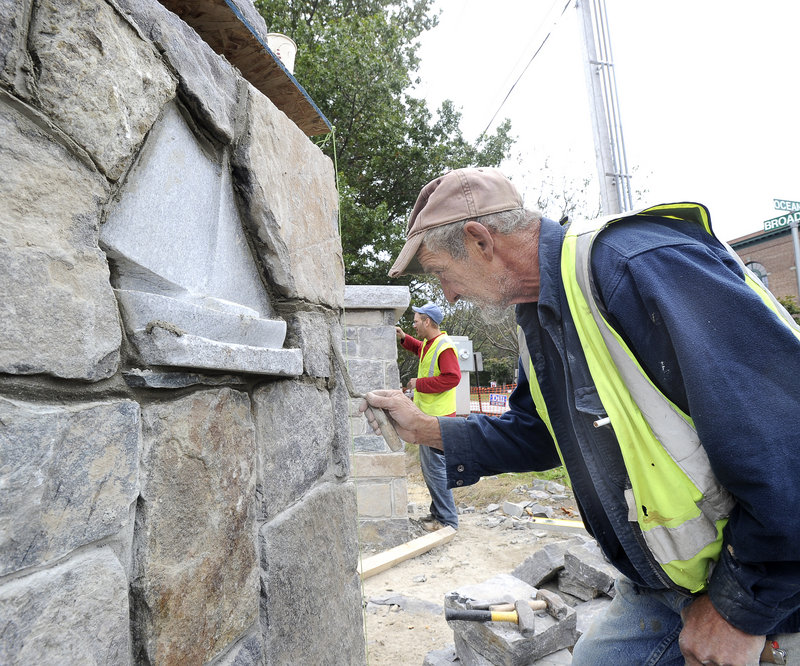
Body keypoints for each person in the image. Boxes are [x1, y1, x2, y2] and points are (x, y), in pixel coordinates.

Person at [361, 167, 800, 665]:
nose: (449, 296)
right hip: (662, 584)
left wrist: (739, 609)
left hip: (769, 587)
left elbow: (786, 445)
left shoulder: (636, 266)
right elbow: (539, 434)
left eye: (442, 272)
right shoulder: (540, 315)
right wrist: (426, 429)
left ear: (480, 240)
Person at [396, 302, 461, 532]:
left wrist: (419, 384)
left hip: (439, 419)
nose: (413, 325)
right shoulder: (429, 344)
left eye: (415, 321)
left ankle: (448, 520)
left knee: (435, 469)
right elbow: (418, 349)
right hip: (431, 417)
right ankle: (439, 514)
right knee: (432, 468)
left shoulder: (444, 347)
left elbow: (452, 378)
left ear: (427, 321)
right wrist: (404, 338)